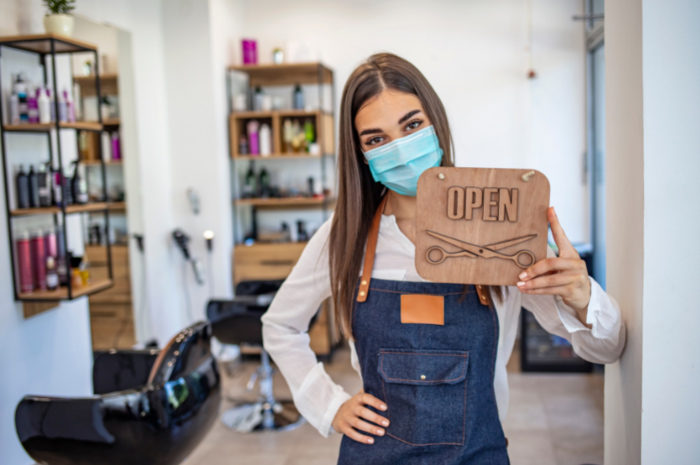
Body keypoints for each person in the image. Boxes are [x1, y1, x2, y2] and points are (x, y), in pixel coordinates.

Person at [261, 52, 625, 464]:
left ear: (436, 124)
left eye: (412, 125)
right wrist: (328, 405)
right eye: (376, 139)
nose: (399, 151)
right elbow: (280, 326)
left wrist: (581, 294)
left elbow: (607, 349)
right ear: (361, 154)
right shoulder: (345, 236)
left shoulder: (502, 229)